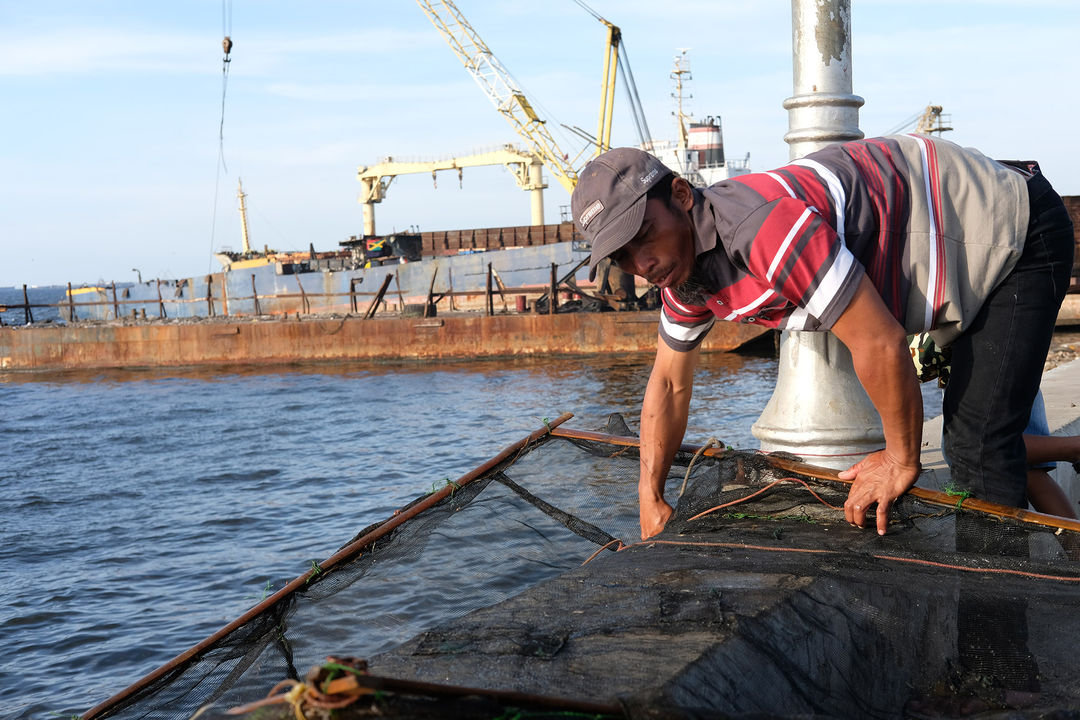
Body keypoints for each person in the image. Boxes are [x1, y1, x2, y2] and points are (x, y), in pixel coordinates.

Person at [571, 137, 1075, 539]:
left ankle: (998, 632)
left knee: (979, 448)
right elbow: (668, 386)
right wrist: (650, 495)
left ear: (681, 196)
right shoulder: (684, 277)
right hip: (952, 255)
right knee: (983, 437)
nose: (641, 264)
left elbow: (879, 341)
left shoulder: (761, 227)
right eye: (622, 255)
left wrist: (900, 460)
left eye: (644, 234)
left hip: (1012, 228)